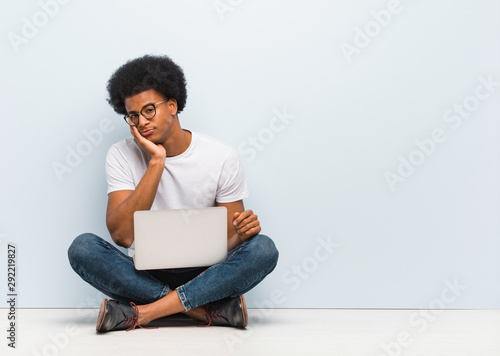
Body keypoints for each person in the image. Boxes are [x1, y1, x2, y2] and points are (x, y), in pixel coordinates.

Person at [67, 54, 279, 333]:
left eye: (149, 110)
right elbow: (122, 236)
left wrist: (241, 233)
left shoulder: (221, 156)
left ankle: (144, 313)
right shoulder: (120, 154)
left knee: (263, 249)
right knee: (83, 248)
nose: (141, 121)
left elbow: (228, 240)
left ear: (172, 105)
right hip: (143, 272)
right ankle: (204, 311)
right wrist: (156, 162)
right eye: (133, 115)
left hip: (206, 273)